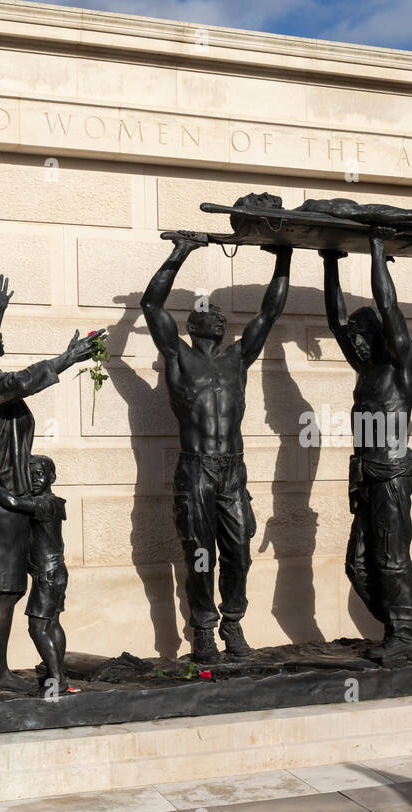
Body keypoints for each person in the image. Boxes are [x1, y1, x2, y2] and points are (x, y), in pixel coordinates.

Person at [140, 232, 292, 664]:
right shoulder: (177, 357)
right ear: (192, 325)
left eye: (223, 316)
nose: (221, 319)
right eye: (211, 313)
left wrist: (282, 255)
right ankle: (203, 629)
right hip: (196, 469)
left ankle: (234, 621)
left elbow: (270, 310)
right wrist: (182, 251)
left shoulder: (237, 358)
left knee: (239, 552)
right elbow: (151, 305)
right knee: (200, 554)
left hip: (232, 470)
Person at [0, 275, 100, 691]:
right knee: (6, 591)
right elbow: (17, 382)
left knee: (5, 587)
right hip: (0, 497)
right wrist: (68, 358)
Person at [320, 228, 412, 662]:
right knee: (358, 564)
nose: (354, 341)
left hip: (392, 472)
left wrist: (378, 251)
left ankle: (404, 636)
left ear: (380, 335)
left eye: (363, 334)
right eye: (354, 336)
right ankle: (397, 628)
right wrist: (330, 262)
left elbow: (390, 307)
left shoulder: (400, 365)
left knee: (391, 558)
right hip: (366, 475)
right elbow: (336, 322)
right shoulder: (366, 370)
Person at [0, 455, 75, 696]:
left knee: (38, 627)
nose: (34, 479)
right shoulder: (45, 501)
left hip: (47, 575)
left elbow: (12, 503)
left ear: (52, 477)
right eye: (30, 474)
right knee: (51, 624)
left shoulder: (47, 503)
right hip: (52, 574)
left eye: (40, 474)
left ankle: (57, 679)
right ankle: (59, 675)